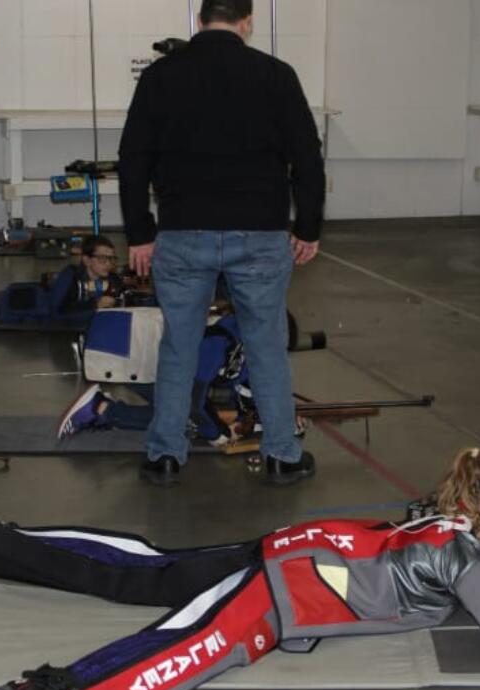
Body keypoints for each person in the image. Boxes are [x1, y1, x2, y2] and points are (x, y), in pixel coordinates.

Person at [0, 447, 480, 690]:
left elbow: (476, 578)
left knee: (146, 569)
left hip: (287, 550)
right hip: (286, 590)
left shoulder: (443, 522)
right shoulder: (462, 549)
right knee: (187, 647)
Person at [118, 0, 326, 487]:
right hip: (260, 234)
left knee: (179, 346)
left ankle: (165, 456)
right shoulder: (276, 75)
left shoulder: (161, 77)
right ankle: (281, 457)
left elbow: (133, 159)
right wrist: (308, 227)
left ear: (200, 19)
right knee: (266, 347)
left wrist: (140, 234)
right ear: (246, 22)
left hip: (182, 233)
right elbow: (307, 158)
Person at [56, 312, 256, 446]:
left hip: (149, 356)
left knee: (187, 413)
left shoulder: (240, 340)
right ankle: (100, 409)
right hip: (133, 356)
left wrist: (250, 418)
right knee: (183, 421)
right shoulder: (219, 344)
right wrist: (218, 434)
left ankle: (105, 409)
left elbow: (244, 389)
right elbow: (194, 403)